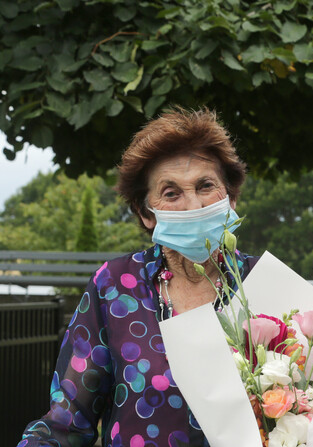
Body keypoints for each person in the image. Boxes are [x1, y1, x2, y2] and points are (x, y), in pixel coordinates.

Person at [18, 108, 257, 446]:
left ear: (230, 197)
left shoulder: (264, 283)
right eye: (171, 193)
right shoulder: (114, 287)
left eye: (205, 186)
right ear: (147, 213)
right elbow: (68, 423)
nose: (192, 205)